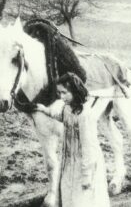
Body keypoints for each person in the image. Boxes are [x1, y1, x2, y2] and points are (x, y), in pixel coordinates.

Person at [35, 72, 110, 207]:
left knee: (82, 199)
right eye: (59, 93)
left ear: (75, 91)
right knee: (68, 193)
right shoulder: (68, 108)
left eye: (64, 93)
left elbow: (89, 147)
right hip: (69, 162)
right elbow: (62, 116)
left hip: (84, 164)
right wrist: (46, 110)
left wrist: (87, 175)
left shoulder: (85, 115)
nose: (61, 97)